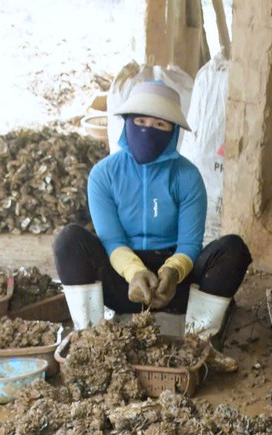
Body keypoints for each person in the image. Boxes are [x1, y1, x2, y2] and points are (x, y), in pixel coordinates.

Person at [53, 80, 252, 338]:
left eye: (160, 124)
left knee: (232, 249)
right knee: (69, 240)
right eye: (141, 122)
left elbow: (189, 244)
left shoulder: (188, 176)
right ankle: (89, 340)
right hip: (123, 284)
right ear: (127, 122)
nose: (149, 130)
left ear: (173, 132)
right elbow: (112, 240)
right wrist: (135, 273)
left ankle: (201, 340)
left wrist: (173, 271)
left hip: (174, 289)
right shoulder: (104, 175)